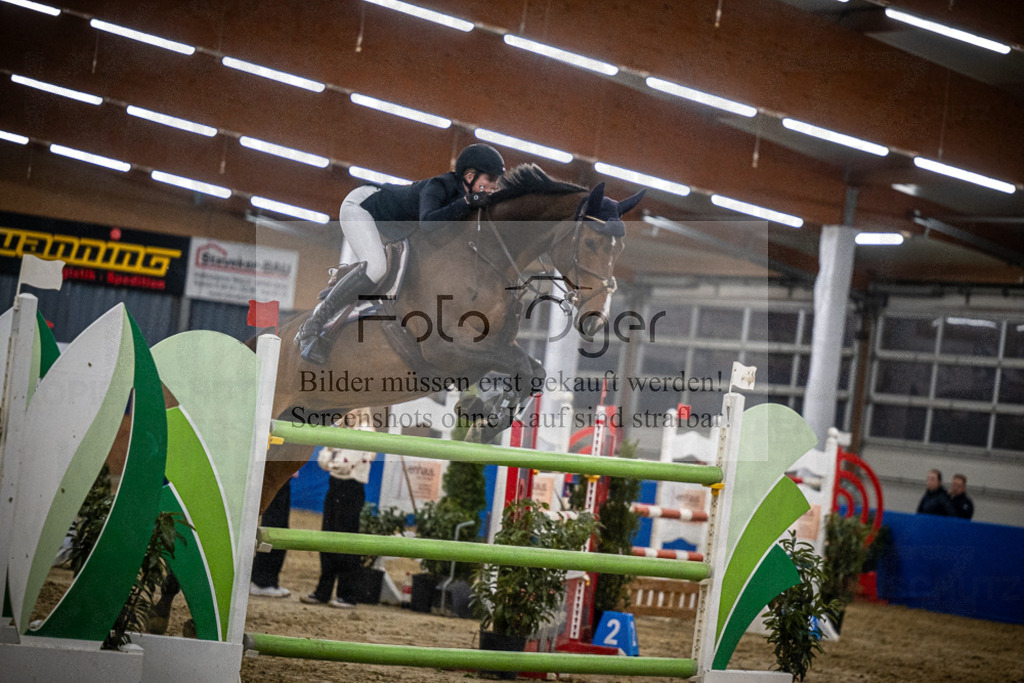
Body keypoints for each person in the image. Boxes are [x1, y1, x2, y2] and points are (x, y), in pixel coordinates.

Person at [296, 143, 506, 364]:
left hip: (392, 228)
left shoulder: (469, 201)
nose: (494, 186)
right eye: (490, 180)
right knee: (376, 268)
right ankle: (314, 323)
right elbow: (428, 225)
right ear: (470, 176)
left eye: (496, 181)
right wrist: (467, 202)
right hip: (361, 207)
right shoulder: (439, 186)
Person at [301, 409, 377, 608]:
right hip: (335, 486)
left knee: (347, 542)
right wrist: (332, 456)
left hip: (351, 489)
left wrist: (331, 454)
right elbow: (323, 461)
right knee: (327, 539)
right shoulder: (342, 430)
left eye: (357, 408)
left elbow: (344, 463)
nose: (352, 411)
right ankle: (323, 592)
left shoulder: (365, 432)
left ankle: (347, 594)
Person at [250, 477, 293, 597]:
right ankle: (262, 582)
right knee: (274, 525)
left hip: (282, 479)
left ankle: (268, 581)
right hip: (276, 479)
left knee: (279, 526)